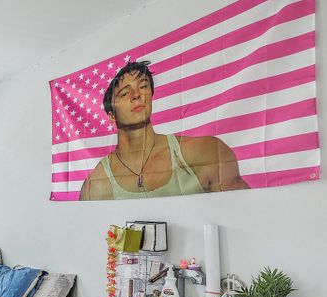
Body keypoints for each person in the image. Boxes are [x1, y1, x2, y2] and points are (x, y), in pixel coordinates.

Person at [79, 60, 249, 200]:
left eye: (143, 86)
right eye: (124, 93)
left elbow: (246, 216)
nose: (136, 95)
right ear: (111, 116)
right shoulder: (96, 185)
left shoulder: (206, 152)